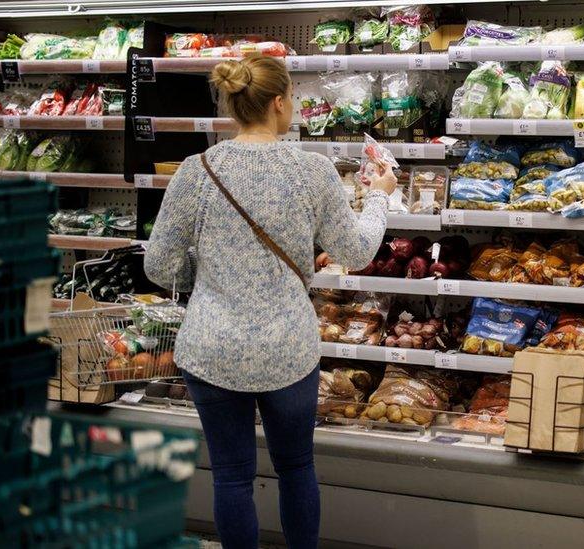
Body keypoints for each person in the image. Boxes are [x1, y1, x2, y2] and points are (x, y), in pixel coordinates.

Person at [144, 56, 396, 549]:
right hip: (289, 346)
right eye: (294, 99)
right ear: (279, 103)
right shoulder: (311, 171)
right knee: (297, 466)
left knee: (231, 477)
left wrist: (211, 274)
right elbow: (358, 252)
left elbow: (159, 265)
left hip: (212, 347)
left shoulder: (197, 172)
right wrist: (381, 196)